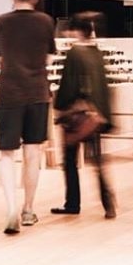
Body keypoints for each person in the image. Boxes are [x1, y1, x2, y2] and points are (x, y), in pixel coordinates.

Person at [0, 0, 56, 235]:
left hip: (8, 94)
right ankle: (28, 209)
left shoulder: (2, 22)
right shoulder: (45, 22)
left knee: (7, 154)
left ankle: (10, 208)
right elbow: (49, 58)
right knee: (32, 153)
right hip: (38, 93)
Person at [51, 14, 116, 219]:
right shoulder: (96, 53)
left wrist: (59, 107)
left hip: (78, 117)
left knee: (69, 159)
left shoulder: (74, 53)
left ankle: (73, 203)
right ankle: (108, 203)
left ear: (76, 31)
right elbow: (104, 87)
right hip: (95, 116)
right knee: (98, 162)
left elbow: (68, 86)